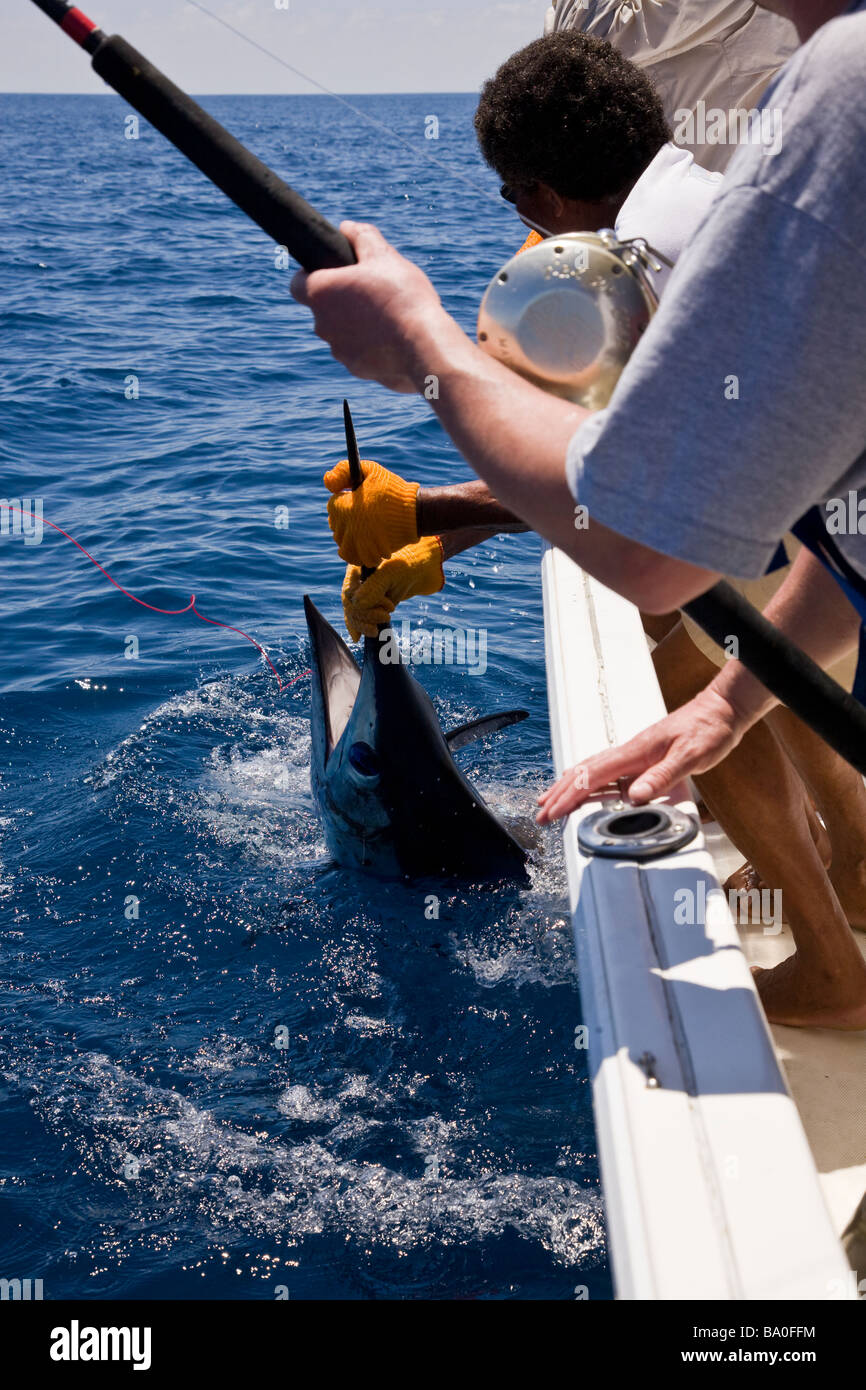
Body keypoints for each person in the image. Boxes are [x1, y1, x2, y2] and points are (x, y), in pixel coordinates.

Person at [292, 0, 866, 1028]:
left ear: (536, 194)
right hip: (816, 550)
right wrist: (437, 511)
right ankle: (857, 867)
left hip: (765, 537)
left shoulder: (631, 265)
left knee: (671, 635)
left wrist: (425, 358)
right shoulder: (713, 195)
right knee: (740, 657)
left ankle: (828, 962)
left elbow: (650, 516)